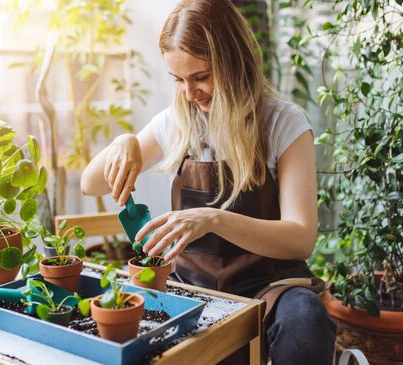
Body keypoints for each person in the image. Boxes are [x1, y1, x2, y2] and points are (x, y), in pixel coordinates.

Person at [80, 0, 336, 363]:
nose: (189, 92)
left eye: (201, 77)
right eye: (178, 80)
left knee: (306, 321)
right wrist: (126, 142)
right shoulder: (177, 121)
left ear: (235, 63)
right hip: (193, 289)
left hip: (270, 288)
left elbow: (301, 239)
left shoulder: (284, 123)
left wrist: (213, 219)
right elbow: (90, 184)